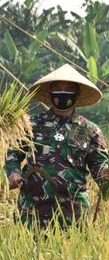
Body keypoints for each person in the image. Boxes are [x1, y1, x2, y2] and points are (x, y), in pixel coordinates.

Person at [6, 64, 109, 228]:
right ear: (50, 91)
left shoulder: (90, 130)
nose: (63, 92)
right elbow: (13, 154)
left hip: (73, 212)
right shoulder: (31, 124)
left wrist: (105, 172)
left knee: (71, 253)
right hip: (33, 208)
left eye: (68, 88)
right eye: (58, 88)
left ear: (77, 93)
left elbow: (99, 167)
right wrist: (13, 173)